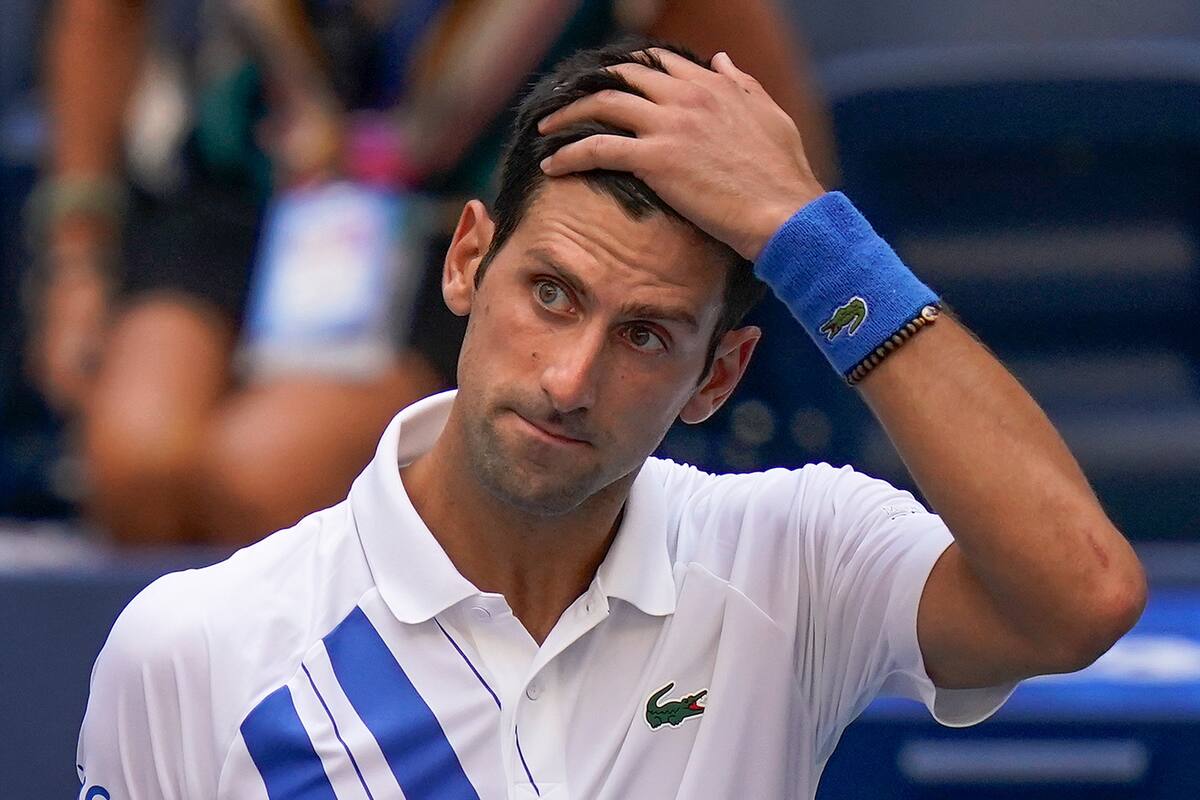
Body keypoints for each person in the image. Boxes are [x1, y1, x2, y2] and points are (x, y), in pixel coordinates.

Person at [75, 42, 1146, 798]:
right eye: (550, 293)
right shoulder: (194, 650)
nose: (570, 377)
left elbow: (1079, 592)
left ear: (719, 376)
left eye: (646, 335)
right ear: (465, 259)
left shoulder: (796, 559)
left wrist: (817, 241)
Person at [31, 0, 834, 546]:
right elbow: (103, 15)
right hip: (239, 194)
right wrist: (77, 258)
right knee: (136, 464)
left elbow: (765, 135)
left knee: (263, 476)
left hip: (478, 224)